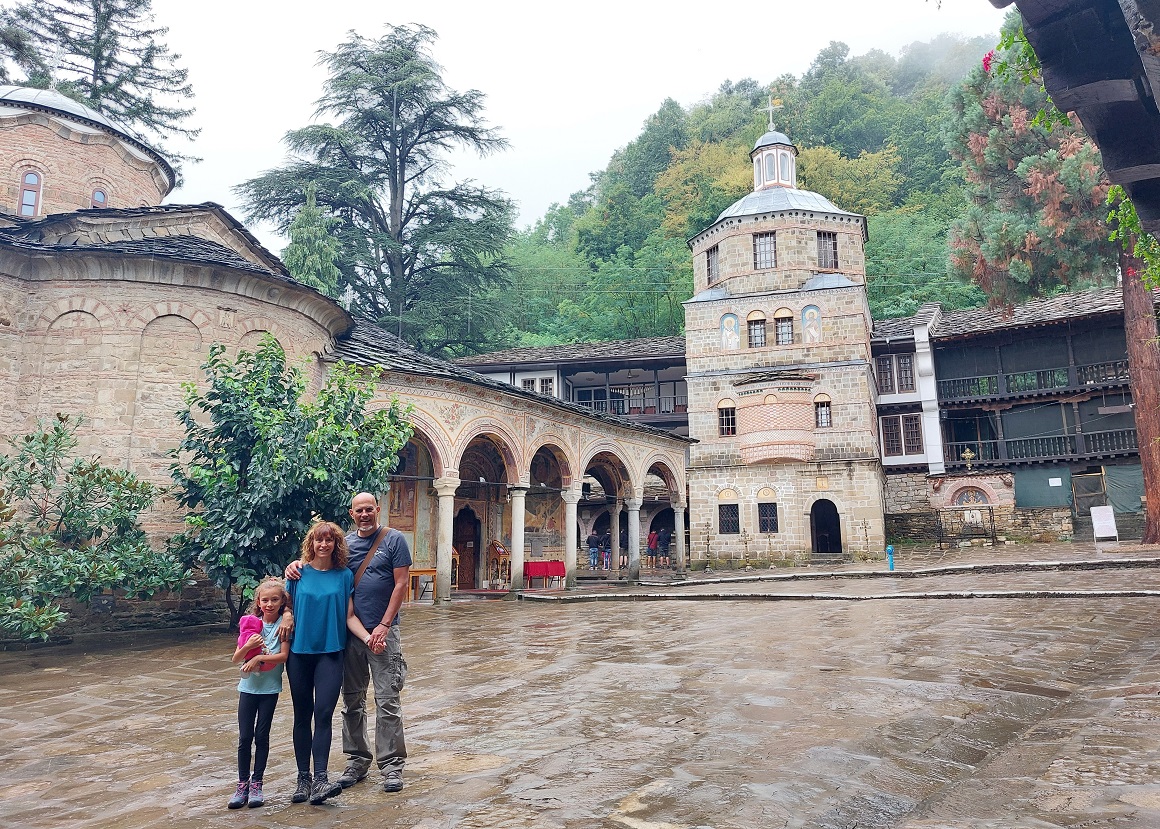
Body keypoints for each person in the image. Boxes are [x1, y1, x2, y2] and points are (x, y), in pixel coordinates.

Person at [284, 521, 372, 806]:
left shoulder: (344, 576)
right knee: (302, 714)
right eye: (319, 540)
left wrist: (369, 638)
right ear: (312, 543)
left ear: (336, 544)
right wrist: (286, 612)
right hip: (299, 653)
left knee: (323, 714)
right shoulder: (297, 572)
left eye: (329, 541)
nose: (323, 545)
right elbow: (284, 604)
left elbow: (348, 614)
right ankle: (303, 779)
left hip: (331, 653)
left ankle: (321, 778)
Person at [227, 577, 291, 809]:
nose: (270, 604)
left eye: (275, 600)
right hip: (248, 689)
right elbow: (235, 658)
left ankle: (257, 783)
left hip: (269, 689)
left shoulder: (283, 626)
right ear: (259, 602)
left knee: (261, 736)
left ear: (282, 601)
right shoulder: (252, 625)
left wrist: (259, 657)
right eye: (265, 600)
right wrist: (247, 647)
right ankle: (242, 783)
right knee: (245, 738)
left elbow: (283, 656)